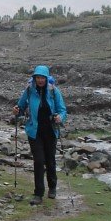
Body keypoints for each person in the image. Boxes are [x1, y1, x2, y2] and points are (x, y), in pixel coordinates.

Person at [14, 65, 67, 205]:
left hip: (51, 131)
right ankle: (38, 193)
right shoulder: (29, 90)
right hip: (34, 131)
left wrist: (60, 117)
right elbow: (20, 106)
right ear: (34, 78)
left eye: (42, 77)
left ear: (46, 78)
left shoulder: (54, 91)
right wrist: (17, 110)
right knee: (38, 161)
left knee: (50, 161)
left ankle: (53, 187)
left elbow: (62, 110)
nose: (40, 80)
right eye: (37, 77)